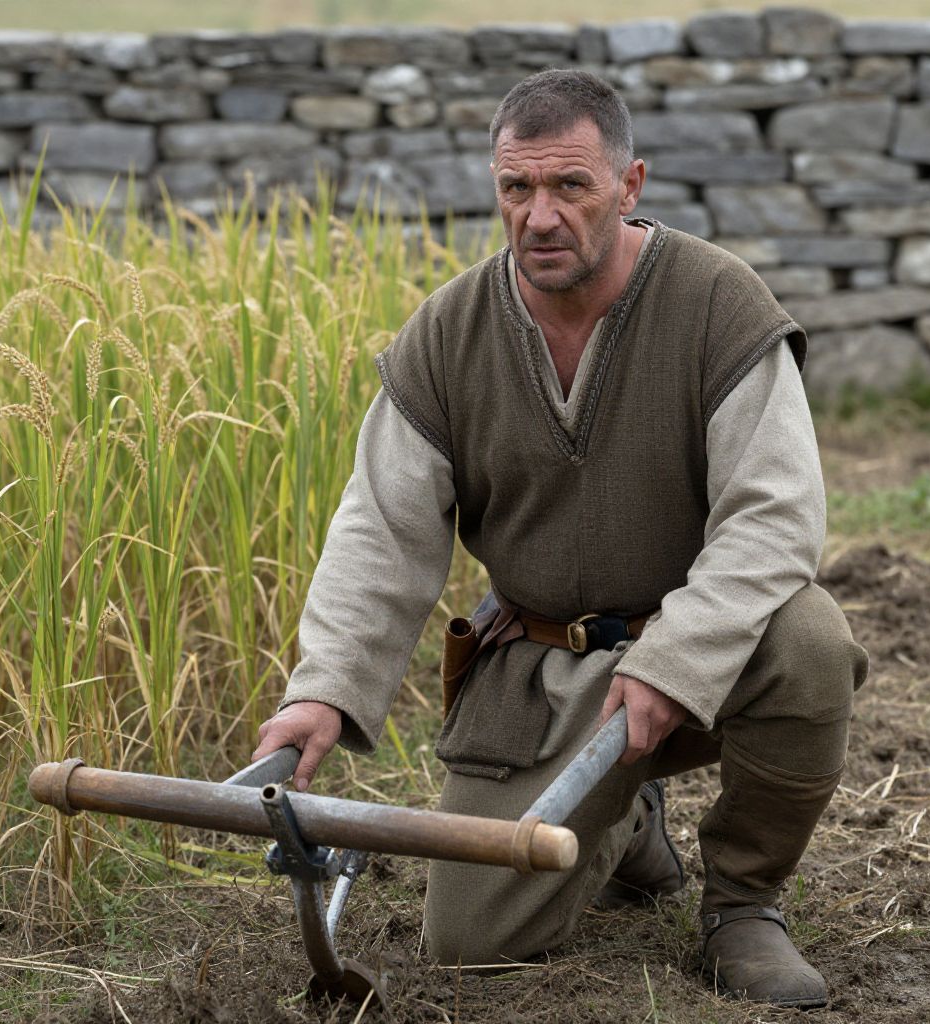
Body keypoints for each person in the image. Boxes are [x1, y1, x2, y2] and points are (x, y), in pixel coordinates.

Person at [253, 69, 868, 1010]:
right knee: (472, 945)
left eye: (571, 185)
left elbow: (775, 517)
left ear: (629, 185)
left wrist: (674, 662)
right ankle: (629, 825)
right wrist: (323, 690)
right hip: (540, 676)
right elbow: (381, 530)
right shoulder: (447, 334)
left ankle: (744, 902)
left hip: (706, 653)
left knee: (810, 641)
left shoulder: (718, 304)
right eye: (517, 187)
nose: (540, 216)